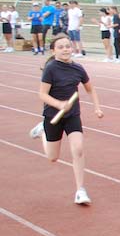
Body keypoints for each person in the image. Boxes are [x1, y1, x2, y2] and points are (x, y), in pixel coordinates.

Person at [28, 34, 104, 205]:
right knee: (52, 158)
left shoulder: (78, 69)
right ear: (53, 50)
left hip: (72, 116)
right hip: (52, 116)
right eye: (61, 47)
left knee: (78, 149)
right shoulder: (51, 69)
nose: (65, 50)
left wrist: (97, 107)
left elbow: (90, 89)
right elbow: (42, 94)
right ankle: (42, 132)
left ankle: (80, 190)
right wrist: (58, 104)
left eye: (67, 46)